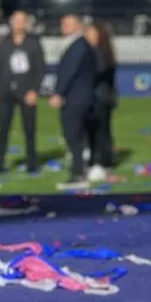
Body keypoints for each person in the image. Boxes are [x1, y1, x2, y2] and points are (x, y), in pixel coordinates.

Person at [0, 10, 45, 175]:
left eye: (22, 21)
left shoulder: (33, 42)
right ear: (10, 23)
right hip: (5, 91)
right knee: (3, 129)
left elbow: (40, 68)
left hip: (26, 92)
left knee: (29, 129)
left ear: (26, 23)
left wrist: (34, 90)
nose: (18, 24)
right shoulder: (4, 42)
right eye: (16, 21)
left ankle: (31, 163)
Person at [50, 13, 97, 188]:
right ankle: (81, 170)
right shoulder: (80, 45)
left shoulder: (78, 46)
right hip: (81, 97)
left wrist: (58, 93)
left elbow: (70, 71)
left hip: (75, 98)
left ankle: (78, 174)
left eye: (67, 24)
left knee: (73, 136)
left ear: (78, 26)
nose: (63, 27)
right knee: (77, 136)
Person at [84, 20, 117, 182]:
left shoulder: (102, 52)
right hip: (93, 97)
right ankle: (95, 159)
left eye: (91, 33)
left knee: (102, 131)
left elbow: (100, 74)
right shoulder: (92, 51)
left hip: (102, 98)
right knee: (91, 131)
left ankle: (103, 161)